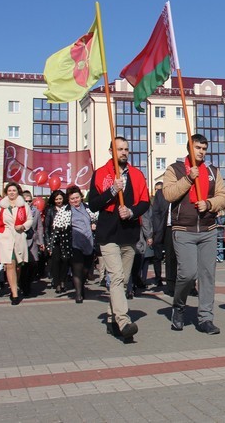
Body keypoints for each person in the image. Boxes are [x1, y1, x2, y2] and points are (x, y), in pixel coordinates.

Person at [164, 134, 225, 335]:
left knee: (208, 275)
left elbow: (223, 197)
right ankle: (179, 306)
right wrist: (188, 178)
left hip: (208, 230)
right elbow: (169, 194)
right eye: (197, 147)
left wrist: (209, 204)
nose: (201, 151)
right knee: (188, 273)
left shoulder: (212, 171)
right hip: (183, 230)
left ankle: (206, 318)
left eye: (204, 148)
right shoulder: (174, 169)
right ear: (189, 148)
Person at [89, 136, 150, 341]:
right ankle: (123, 321)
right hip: (108, 234)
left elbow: (145, 202)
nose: (123, 152)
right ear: (111, 152)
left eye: (126, 149)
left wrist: (131, 212)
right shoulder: (100, 174)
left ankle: (111, 318)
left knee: (123, 281)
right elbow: (93, 204)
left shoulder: (137, 174)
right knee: (115, 277)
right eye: (119, 149)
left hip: (129, 233)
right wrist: (112, 191)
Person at [0, 182, 33, 305]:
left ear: (18, 192)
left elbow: (30, 220)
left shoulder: (23, 205)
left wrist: (23, 226)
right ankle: (14, 294)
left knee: (18, 265)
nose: (12, 192)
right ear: (6, 192)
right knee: (9, 264)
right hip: (5, 237)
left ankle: (15, 284)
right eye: (9, 190)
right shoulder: (2, 206)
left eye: (14, 190)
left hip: (19, 236)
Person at [52, 186, 98, 303]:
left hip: (88, 242)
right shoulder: (65, 211)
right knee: (77, 268)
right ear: (69, 199)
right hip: (74, 243)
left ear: (81, 197)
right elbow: (57, 225)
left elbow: (97, 218)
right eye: (72, 199)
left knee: (86, 270)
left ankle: (81, 287)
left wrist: (94, 224)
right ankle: (78, 294)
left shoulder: (88, 208)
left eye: (77, 198)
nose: (75, 200)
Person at [19, 190, 44, 298]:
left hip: (32, 241)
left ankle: (28, 284)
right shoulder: (18, 211)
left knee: (33, 264)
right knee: (23, 265)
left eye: (30, 201)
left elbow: (39, 227)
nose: (28, 203)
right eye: (25, 201)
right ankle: (23, 286)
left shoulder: (36, 212)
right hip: (21, 240)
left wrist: (41, 242)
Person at [44, 190, 69, 294]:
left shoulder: (67, 209)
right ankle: (57, 283)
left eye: (60, 198)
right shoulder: (50, 210)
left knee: (65, 261)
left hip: (66, 238)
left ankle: (63, 280)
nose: (59, 201)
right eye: (56, 199)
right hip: (54, 240)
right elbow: (46, 228)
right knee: (56, 261)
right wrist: (48, 244)